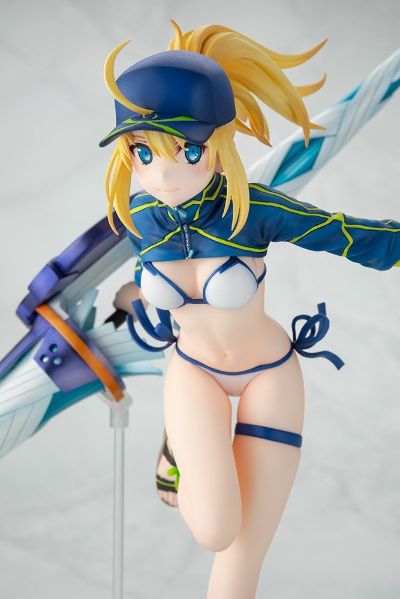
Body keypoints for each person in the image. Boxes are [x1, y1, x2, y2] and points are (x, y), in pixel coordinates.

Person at [100, 22, 400, 599]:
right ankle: (176, 445)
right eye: (143, 151)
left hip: (270, 375)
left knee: (239, 564)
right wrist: (125, 304)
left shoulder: (252, 210)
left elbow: (344, 233)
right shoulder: (137, 216)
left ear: (218, 141)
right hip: (194, 371)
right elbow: (126, 280)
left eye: (187, 150)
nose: (164, 173)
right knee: (215, 528)